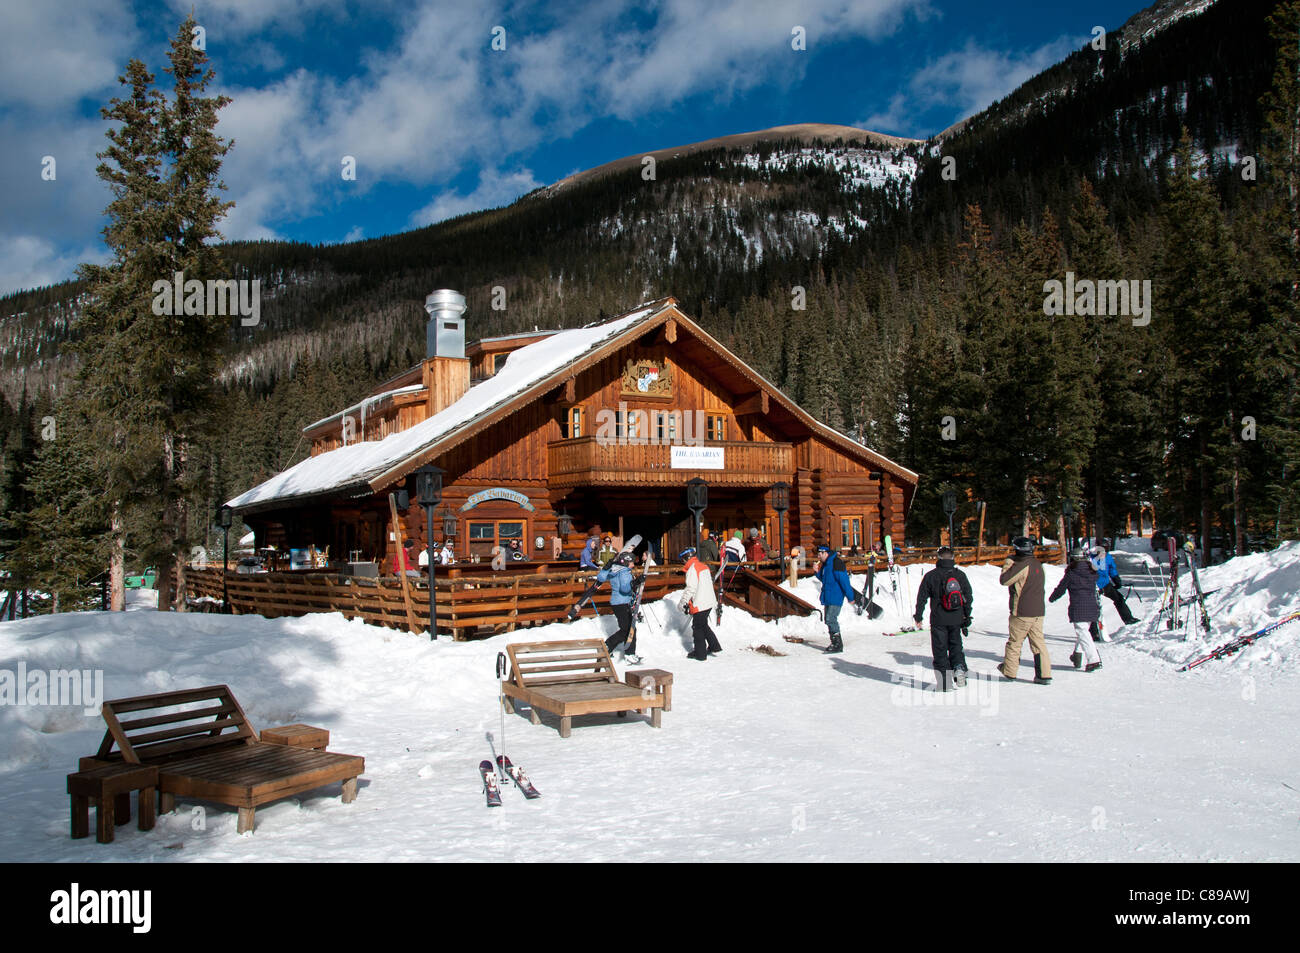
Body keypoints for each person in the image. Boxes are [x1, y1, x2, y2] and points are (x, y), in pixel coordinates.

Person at [913, 546, 974, 690]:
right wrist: (967, 615)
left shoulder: (931, 576)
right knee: (956, 646)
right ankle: (959, 668)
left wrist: (918, 615)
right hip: (956, 618)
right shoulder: (960, 575)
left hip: (938, 619)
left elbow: (922, 597)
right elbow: (968, 597)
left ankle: (945, 683)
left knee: (940, 649)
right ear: (953, 558)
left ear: (938, 558)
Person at [996, 536, 1051, 683]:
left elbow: (1004, 580)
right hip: (1038, 611)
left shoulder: (1021, 565)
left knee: (1015, 642)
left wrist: (1008, 563)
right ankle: (1044, 674)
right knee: (1038, 643)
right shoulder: (1037, 564)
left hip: (1022, 611)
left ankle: (1009, 671)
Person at [1050, 548, 1103, 672]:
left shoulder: (1071, 574)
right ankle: (1077, 656)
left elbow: (1060, 589)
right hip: (1092, 606)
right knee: (1083, 631)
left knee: (1083, 632)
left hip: (1078, 608)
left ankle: (1094, 660)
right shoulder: (1092, 572)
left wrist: (1052, 598)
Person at [679, 547, 722, 660]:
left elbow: (691, 588)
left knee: (697, 627)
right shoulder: (703, 566)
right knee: (703, 625)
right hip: (709, 601)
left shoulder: (692, 569)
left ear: (686, 558)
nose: (682, 562)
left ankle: (700, 654)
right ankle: (714, 646)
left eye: (683, 560)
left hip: (700, 602)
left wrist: (683, 602)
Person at [597, 551, 641, 660]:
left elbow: (601, 578)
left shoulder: (615, 569)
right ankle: (627, 653)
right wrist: (635, 583)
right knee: (629, 630)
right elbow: (625, 589)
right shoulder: (624, 571)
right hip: (622, 603)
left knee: (628, 629)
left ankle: (609, 647)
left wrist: (606, 568)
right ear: (626, 562)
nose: (633, 565)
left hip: (618, 603)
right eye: (631, 562)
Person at [814, 544, 856, 654]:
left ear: (825, 553)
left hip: (836, 596)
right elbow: (824, 579)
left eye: (820, 554)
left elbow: (844, 581)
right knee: (828, 619)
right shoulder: (826, 565)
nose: (819, 557)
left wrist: (850, 597)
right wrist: (816, 572)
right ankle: (834, 642)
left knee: (831, 618)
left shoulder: (836, 563)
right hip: (828, 595)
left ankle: (838, 644)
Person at [1089, 544, 1136, 637]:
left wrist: (1117, 580)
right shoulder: (1091, 558)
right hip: (1093, 585)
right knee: (1094, 607)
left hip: (1105, 584)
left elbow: (1112, 569)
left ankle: (1128, 618)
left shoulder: (1108, 557)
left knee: (1119, 598)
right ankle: (1094, 632)